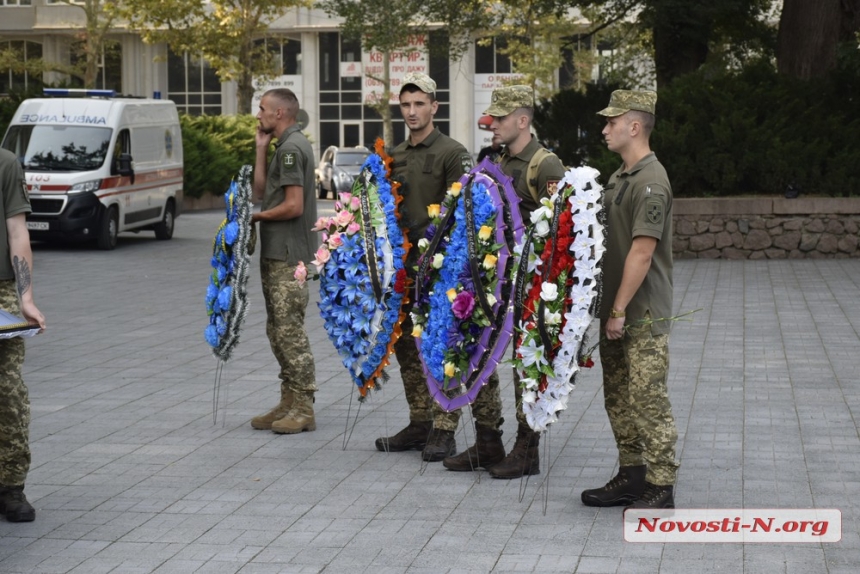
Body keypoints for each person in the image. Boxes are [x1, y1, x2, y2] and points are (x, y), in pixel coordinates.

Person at [443, 85, 565, 479]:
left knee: (524, 364)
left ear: (522, 121)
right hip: (489, 283)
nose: (490, 124)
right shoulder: (494, 160)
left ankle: (527, 449)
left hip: (528, 285)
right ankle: (487, 440)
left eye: (499, 118)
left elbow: (560, 234)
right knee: (478, 356)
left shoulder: (545, 166)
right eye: (490, 117)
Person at [580, 89, 679, 509]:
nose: (604, 130)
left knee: (647, 398)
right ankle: (632, 473)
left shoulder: (652, 181)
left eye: (611, 123)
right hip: (615, 312)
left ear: (634, 127)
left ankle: (661, 485)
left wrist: (619, 310)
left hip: (640, 312)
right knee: (618, 396)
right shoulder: (622, 177)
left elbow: (642, 252)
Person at [374, 72, 475, 462]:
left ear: (435, 106)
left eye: (420, 104)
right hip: (403, 266)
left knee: (441, 345)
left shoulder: (453, 152)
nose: (412, 112)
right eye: (406, 105)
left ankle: (445, 428)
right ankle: (420, 422)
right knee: (405, 346)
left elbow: (464, 212)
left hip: (440, 267)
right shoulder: (394, 155)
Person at [249, 88, 319, 435]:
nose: (258, 114)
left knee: (289, 333)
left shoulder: (292, 149)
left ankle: (303, 407)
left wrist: (256, 220)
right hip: (277, 253)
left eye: (262, 109)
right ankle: (288, 401)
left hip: (289, 256)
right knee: (277, 330)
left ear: (280, 113)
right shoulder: (281, 146)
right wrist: (261, 149)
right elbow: (260, 192)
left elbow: (293, 206)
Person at [0, 147, 46, 522]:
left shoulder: (5, 163)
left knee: (7, 390)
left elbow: (17, 231)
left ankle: (11, 486)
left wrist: (25, 297)